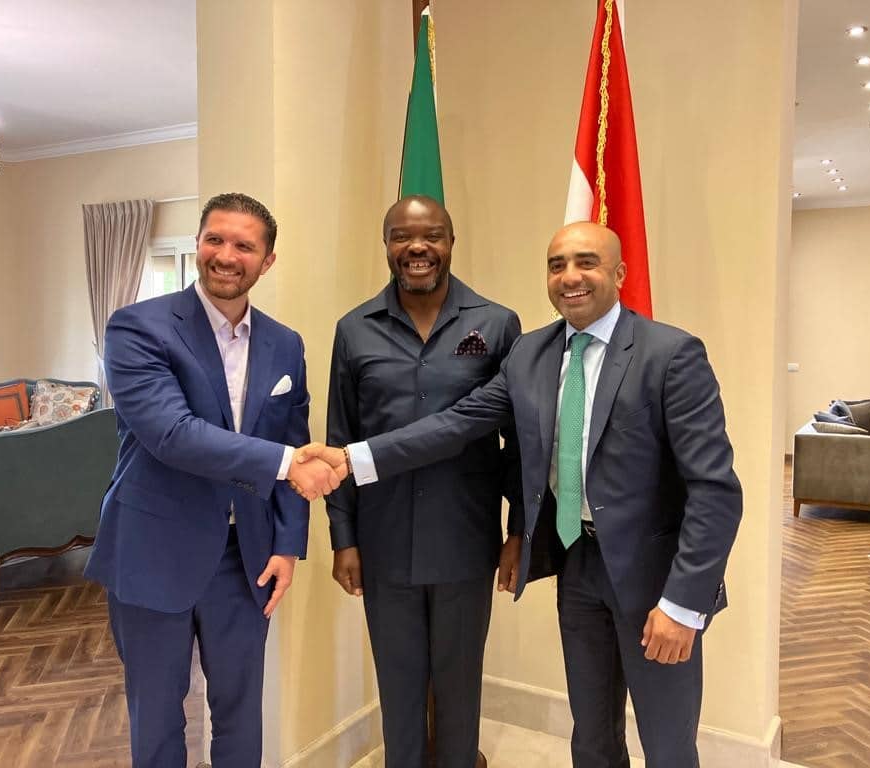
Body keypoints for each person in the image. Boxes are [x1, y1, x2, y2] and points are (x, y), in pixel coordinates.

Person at [302, 222, 742, 768]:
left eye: (586, 262)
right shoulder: (531, 354)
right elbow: (457, 423)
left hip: (654, 579)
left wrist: (682, 605)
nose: (570, 277)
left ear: (619, 274)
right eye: (557, 265)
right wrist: (354, 459)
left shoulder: (670, 353)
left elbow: (715, 491)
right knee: (592, 737)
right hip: (577, 565)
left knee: (668, 745)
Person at [85, 192, 341, 768]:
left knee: (241, 715)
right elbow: (173, 434)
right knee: (156, 718)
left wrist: (286, 545)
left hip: (244, 560)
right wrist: (287, 462)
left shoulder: (285, 344)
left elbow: (293, 440)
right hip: (151, 552)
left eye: (244, 246)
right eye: (214, 240)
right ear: (198, 244)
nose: (226, 255)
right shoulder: (137, 327)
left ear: (266, 261)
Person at [326, 195, 523, 768]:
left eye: (432, 235)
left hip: (466, 539)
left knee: (461, 684)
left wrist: (518, 533)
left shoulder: (497, 324)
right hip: (383, 540)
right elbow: (341, 438)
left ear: (451, 242)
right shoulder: (353, 330)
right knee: (398, 684)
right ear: (386, 244)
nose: (417, 247)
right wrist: (344, 538)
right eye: (402, 236)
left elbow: (519, 442)